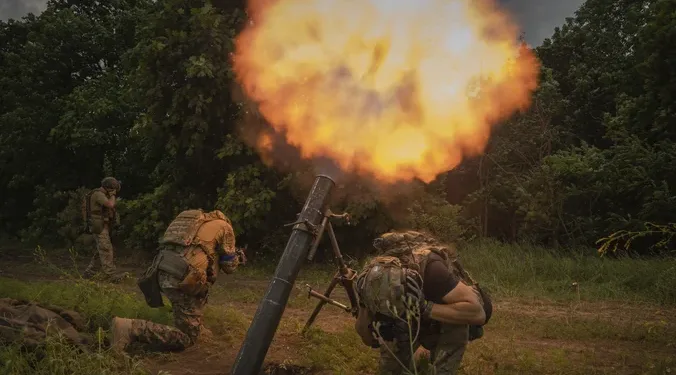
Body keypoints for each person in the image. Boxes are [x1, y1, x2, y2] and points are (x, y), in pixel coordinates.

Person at [354, 230, 491, 375]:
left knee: (456, 325)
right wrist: (384, 336)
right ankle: (416, 357)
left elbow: (477, 312)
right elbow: (364, 331)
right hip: (407, 318)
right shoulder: (370, 281)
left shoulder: (432, 269)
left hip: (441, 314)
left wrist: (425, 307)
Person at [110, 209, 246, 352]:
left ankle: (192, 324)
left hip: (162, 271)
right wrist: (238, 258)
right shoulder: (225, 227)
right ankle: (131, 328)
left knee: (190, 303)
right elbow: (229, 267)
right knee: (187, 339)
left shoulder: (192, 223)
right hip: (183, 279)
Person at [83, 177, 123, 282]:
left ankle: (90, 272)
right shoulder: (98, 194)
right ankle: (110, 275)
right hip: (99, 226)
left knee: (101, 250)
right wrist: (113, 195)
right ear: (109, 187)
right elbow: (110, 204)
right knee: (106, 250)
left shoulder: (101, 194)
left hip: (101, 226)